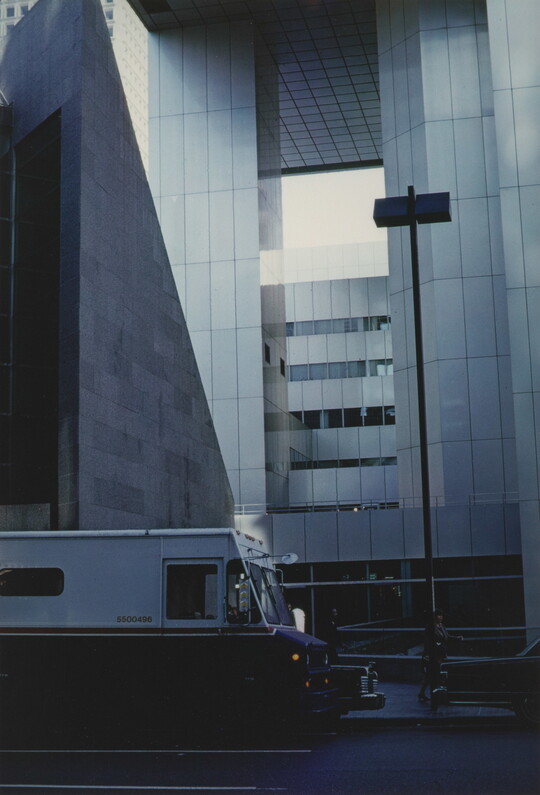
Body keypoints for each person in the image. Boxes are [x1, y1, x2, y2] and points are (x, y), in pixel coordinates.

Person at [418, 608, 463, 701]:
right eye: (439, 615)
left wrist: (457, 638)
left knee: (430, 675)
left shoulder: (442, 626)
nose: (441, 617)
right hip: (433, 654)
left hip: (441, 653)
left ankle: (422, 693)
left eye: (441, 615)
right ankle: (437, 694)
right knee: (437, 674)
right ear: (435, 617)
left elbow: (447, 637)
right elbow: (427, 641)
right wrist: (427, 654)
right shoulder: (430, 627)